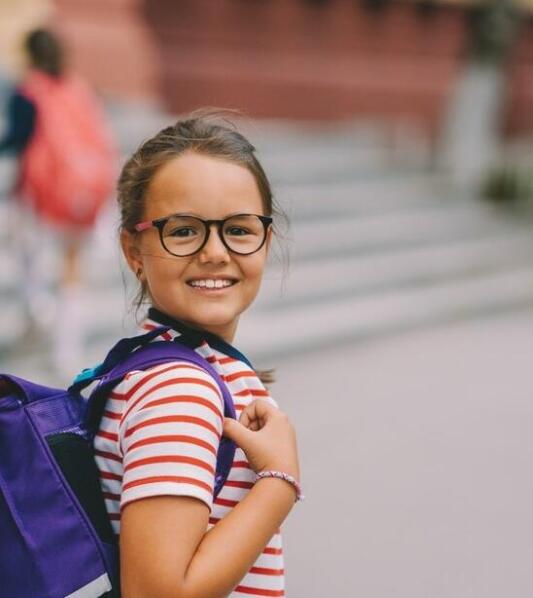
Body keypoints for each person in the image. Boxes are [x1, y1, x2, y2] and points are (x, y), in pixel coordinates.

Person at [96, 116, 301, 596]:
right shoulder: (178, 390)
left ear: (266, 241)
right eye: (184, 231)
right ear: (134, 250)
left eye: (239, 229)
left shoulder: (183, 363)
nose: (214, 252)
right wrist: (280, 480)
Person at [0, 27, 118, 376]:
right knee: (72, 269)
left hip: (35, 193)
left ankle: (36, 309)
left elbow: (15, 142)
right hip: (81, 189)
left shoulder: (27, 92)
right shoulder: (81, 90)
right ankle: (66, 350)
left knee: (25, 253)